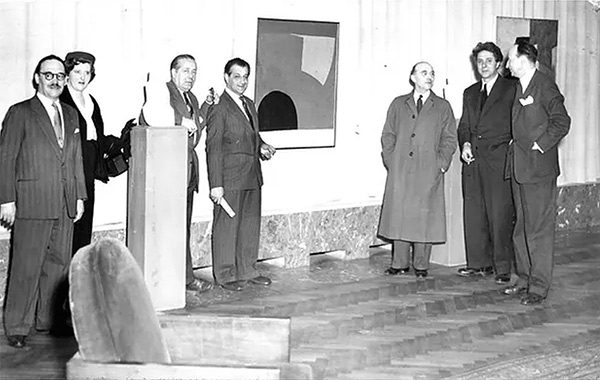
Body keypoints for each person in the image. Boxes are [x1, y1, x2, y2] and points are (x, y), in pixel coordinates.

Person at [0, 55, 86, 348]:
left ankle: (46, 321)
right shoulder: (20, 112)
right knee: (26, 265)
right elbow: (6, 158)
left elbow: (75, 159)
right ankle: (17, 326)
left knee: (58, 265)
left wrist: (79, 197)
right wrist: (6, 200)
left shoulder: (71, 115)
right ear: (37, 77)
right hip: (32, 201)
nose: (55, 81)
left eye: (60, 76)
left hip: (64, 203)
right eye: (48, 75)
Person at [501, 41, 570, 305]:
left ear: (523, 60)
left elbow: (562, 121)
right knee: (521, 227)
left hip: (538, 170)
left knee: (538, 230)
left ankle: (539, 287)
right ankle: (524, 277)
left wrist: (540, 145)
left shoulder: (544, 84)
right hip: (519, 168)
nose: (507, 65)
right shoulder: (521, 86)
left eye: (510, 60)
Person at [139, 54, 214, 293]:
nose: (190, 76)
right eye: (185, 71)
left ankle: (184, 278)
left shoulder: (190, 97)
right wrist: (182, 119)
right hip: (169, 172)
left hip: (187, 171)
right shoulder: (164, 93)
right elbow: (154, 116)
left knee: (183, 228)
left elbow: (195, 128)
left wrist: (205, 107)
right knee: (168, 229)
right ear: (173, 73)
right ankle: (170, 281)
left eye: (194, 71)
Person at [378, 61, 457, 279]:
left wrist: (441, 163)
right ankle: (399, 263)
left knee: (425, 216)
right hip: (401, 169)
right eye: (424, 73)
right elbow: (388, 134)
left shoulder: (442, 107)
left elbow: (450, 139)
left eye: (432, 73)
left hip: (428, 169)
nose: (429, 76)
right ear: (413, 77)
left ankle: (421, 265)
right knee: (400, 214)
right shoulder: (398, 104)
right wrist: (391, 159)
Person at [206, 57, 276, 291]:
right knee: (227, 227)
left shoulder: (249, 104)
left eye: (245, 76)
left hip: (252, 175)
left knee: (249, 225)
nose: (242, 81)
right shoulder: (219, 107)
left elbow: (251, 135)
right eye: (237, 76)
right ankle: (225, 275)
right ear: (226, 77)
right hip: (230, 178)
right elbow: (213, 146)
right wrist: (216, 184)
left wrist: (261, 146)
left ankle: (247, 270)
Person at [456, 42, 516, 285]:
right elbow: (465, 127)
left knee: (500, 214)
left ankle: (502, 267)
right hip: (473, 162)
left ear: (499, 64)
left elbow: (517, 122)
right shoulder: (470, 92)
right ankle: (478, 263)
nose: (483, 65)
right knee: (474, 213)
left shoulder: (511, 88)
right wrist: (466, 144)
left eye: (489, 60)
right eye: (479, 61)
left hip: (499, 161)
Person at [60, 51, 109, 256]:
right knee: (67, 227)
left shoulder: (91, 101)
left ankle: (79, 278)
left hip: (87, 171)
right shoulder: (61, 99)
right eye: (77, 71)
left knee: (84, 226)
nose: (82, 77)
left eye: (87, 72)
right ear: (67, 73)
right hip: (69, 171)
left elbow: (97, 138)